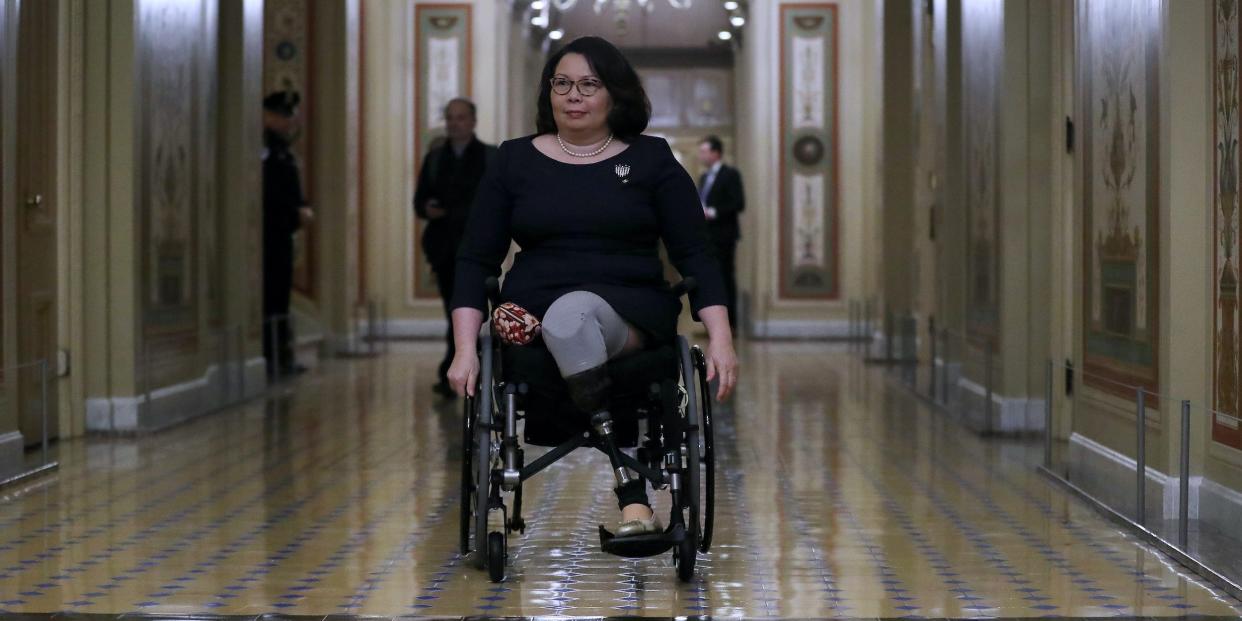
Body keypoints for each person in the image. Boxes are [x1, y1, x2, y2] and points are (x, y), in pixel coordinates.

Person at [446, 37, 738, 537]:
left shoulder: (651, 160)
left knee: (573, 313)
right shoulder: (514, 161)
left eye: (588, 85)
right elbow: (476, 259)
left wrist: (722, 339)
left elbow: (696, 254)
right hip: (533, 315)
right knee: (563, 317)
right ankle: (633, 493)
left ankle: (630, 492)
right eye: (562, 84)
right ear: (549, 92)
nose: (572, 96)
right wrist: (464, 350)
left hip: (631, 315)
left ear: (615, 95)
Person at [413, 98, 497, 399]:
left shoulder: (490, 157)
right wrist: (429, 209)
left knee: (475, 307)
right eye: (449, 118)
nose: (454, 123)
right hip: (445, 247)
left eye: (460, 117)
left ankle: (468, 365)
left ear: (473, 121)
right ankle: (458, 364)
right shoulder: (435, 159)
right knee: (455, 306)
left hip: (479, 246)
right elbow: (420, 202)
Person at [262, 90, 312, 378]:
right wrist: (296, 213)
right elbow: (269, 193)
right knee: (271, 296)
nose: (289, 121)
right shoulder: (266, 149)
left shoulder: (283, 149)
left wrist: (302, 207)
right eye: (283, 115)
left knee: (281, 295)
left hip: (282, 234)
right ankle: (271, 355)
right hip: (270, 233)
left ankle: (281, 355)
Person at [696, 135, 745, 330]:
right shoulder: (704, 177)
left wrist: (713, 212)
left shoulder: (730, 175)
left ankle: (730, 324)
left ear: (716, 153)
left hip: (724, 236)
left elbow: (738, 203)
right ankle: (713, 326)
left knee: (725, 278)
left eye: (704, 151)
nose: (701, 155)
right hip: (707, 237)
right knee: (710, 279)